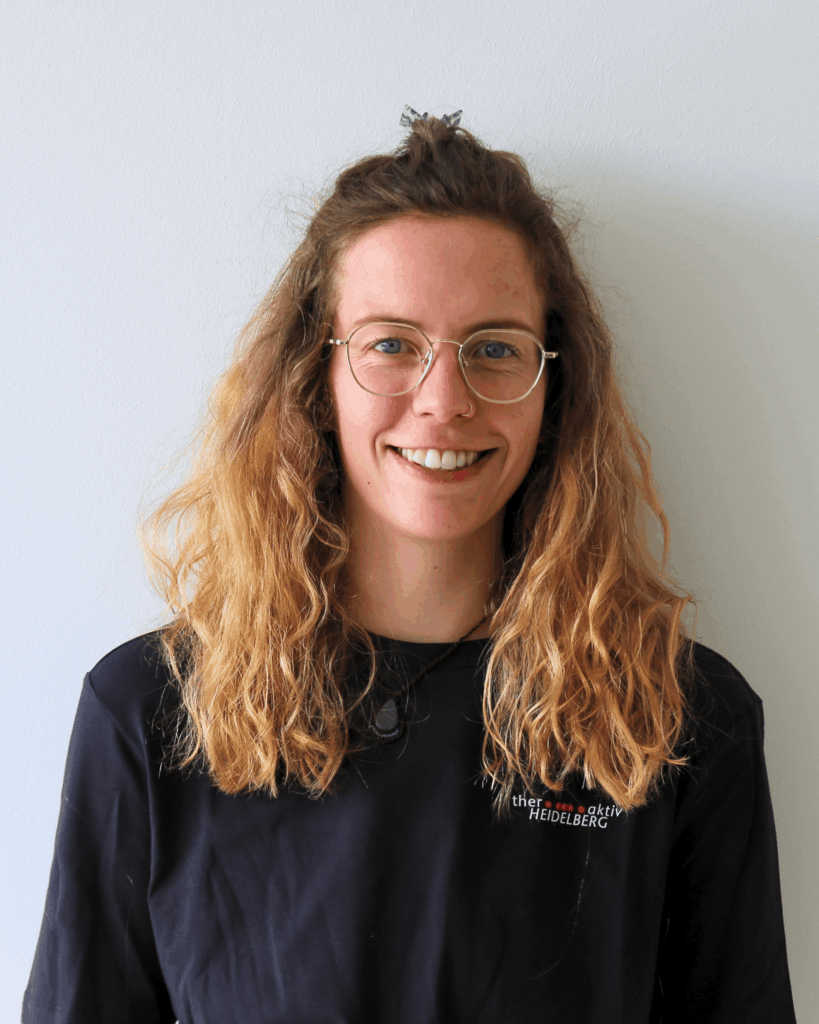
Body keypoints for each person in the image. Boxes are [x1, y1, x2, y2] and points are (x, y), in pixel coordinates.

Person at [23, 108, 796, 1023]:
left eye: (494, 349)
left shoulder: (675, 721)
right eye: (390, 344)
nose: (443, 400)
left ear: (554, 387)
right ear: (314, 376)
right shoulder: (152, 713)